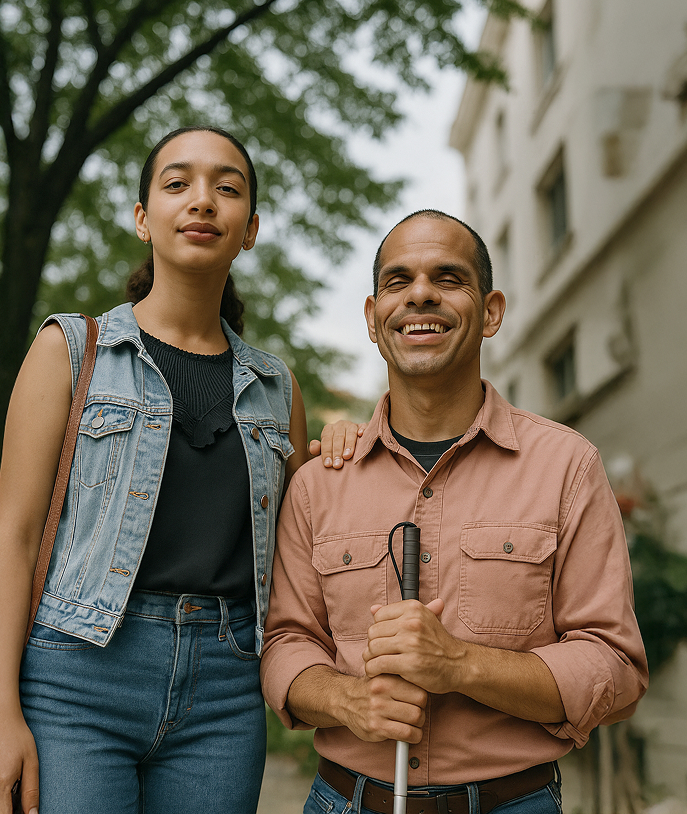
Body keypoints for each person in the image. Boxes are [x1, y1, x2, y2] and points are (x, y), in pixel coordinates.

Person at [0, 126, 360, 814]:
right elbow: (15, 540)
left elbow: (303, 547)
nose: (202, 200)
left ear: (250, 229)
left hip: (225, 692)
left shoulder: (277, 389)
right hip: (76, 679)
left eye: (227, 188)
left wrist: (341, 445)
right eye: (178, 184)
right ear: (143, 218)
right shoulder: (69, 350)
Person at [261, 209, 649, 814]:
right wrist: (345, 700)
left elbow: (615, 667)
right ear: (373, 318)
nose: (420, 294)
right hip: (345, 799)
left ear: (491, 312)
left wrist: (460, 664)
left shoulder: (567, 466)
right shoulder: (318, 483)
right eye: (398, 281)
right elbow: (286, 640)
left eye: (448, 278)